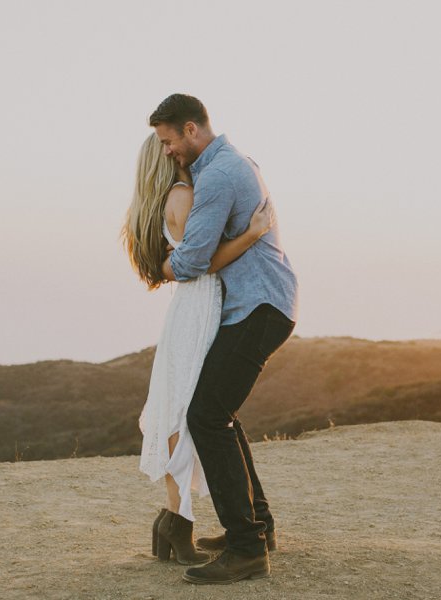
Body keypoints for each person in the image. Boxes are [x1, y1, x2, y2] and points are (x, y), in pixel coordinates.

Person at [150, 93, 298, 585]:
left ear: (191, 130)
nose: (168, 152)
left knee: (206, 415)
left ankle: (247, 549)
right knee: (219, 413)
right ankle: (259, 528)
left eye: (170, 142)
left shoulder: (215, 177)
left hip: (257, 308)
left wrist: (162, 266)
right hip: (264, 304)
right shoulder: (237, 162)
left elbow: (191, 261)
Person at [122, 132, 274, 565]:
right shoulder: (184, 194)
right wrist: (253, 233)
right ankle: (175, 519)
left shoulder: (163, 200)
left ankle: (174, 522)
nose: (176, 150)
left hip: (190, 308)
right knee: (186, 410)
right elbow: (202, 262)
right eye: (167, 146)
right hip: (201, 304)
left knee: (185, 408)